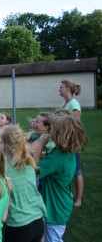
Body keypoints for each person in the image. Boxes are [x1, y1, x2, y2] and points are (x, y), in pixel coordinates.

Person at [33, 114, 87, 242]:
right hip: (62, 202)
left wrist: (40, 145)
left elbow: (34, 169)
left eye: (53, 129)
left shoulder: (57, 157)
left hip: (55, 208)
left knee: (53, 239)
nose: (51, 131)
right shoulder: (67, 151)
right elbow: (53, 162)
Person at [0, 125, 46, 242]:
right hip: (38, 220)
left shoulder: (4, 172)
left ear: (5, 144)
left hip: (19, 226)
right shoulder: (29, 163)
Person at [59, 79, 83, 207]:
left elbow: (76, 126)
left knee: (77, 170)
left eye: (61, 87)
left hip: (73, 142)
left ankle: (78, 199)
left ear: (67, 88)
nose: (59, 89)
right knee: (68, 169)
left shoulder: (74, 104)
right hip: (64, 141)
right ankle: (69, 193)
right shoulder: (65, 102)